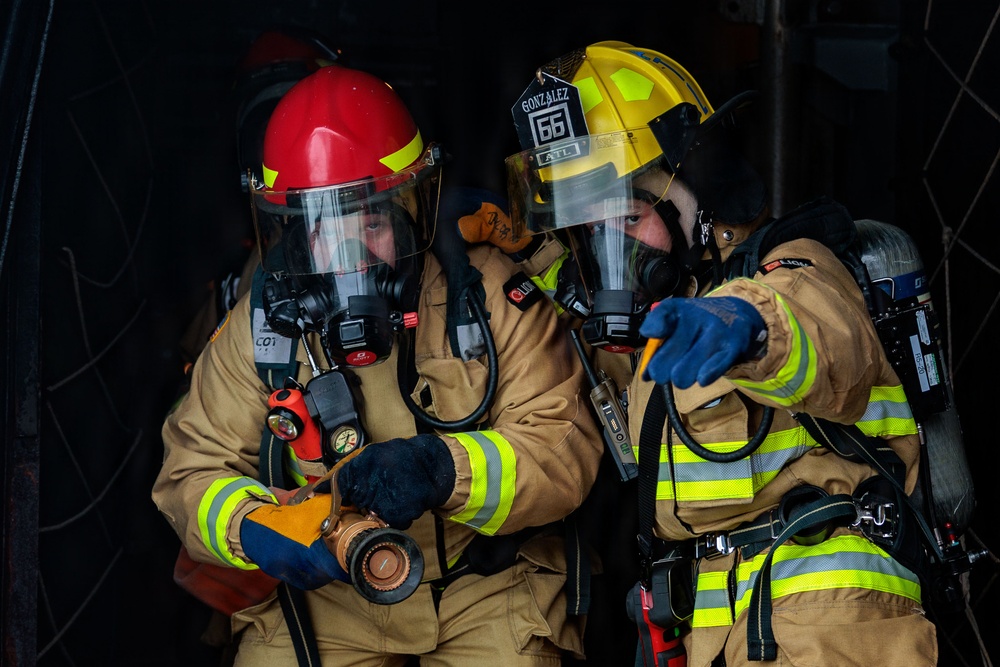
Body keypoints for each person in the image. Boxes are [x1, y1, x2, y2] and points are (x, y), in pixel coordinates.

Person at [152, 61, 604, 667]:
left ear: (411, 207)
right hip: (327, 601)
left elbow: (564, 448)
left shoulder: (487, 296)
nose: (346, 254)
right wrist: (253, 527)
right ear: (290, 230)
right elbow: (190, 471)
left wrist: (442, 469)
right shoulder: (263, 326)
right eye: (322, 227)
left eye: (367, 220)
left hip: (484, 586)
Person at [502, 41, 938, 666]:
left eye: (625, 217)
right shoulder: (661, 318)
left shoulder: (793, 263)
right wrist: (510, 251)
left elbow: (819, 326)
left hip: (831, 625)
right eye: (584, 228)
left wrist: (746, 326)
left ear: (693, 190)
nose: (606, 253)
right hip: (714, 625)